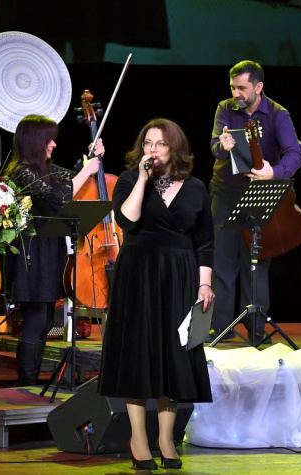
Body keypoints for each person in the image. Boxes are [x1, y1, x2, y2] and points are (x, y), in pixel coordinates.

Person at [98, 118, 214, 470]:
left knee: (172, 357)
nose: (153, 149)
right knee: (139, 354)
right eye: (148, 143)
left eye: (160, 143)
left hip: (179, 275)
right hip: (139, 273)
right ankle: (138, 438)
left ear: (174, 148)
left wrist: (204, 284)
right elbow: (126, 220)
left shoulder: (195, 187)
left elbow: (205, 242)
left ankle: (166, 438)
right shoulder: (129, 180)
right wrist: (143, 179)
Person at [209, 60, 301, 343]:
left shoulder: (277, 114)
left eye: (242, 88)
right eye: (232, 87)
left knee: (257, 261)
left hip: (259, 195)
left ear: (258, 87)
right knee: (223, 261)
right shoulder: (224, 108)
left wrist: (274, 172)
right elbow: (215, 146)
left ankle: (257, 328)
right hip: (225, 193)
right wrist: (222, 146)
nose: (235, 93)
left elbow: (295, 153)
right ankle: (221, 327)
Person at [4, 114, 103, 386]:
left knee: (47, 321)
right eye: (49, 140)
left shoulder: (45, 169)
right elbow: (62, 195)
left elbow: (71, 176)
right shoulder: (22, 172)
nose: (54, 145)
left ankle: (31, 380)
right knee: (36, 320)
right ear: (35, 141)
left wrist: (90, 159)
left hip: (49, 250)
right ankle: (27, 382)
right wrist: (86, 171)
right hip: (31, 254)